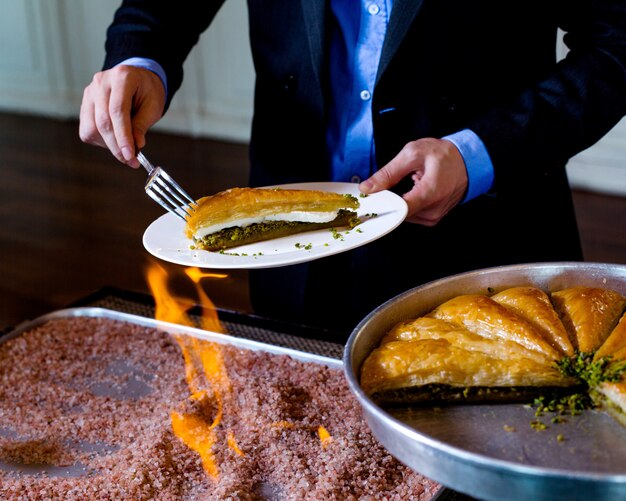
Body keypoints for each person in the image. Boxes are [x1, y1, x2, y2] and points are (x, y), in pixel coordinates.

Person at [79, 1, 626, 339]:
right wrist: (138, 59)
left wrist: (476, 153)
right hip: (291, 251)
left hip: (487, 236)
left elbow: (616, 42)